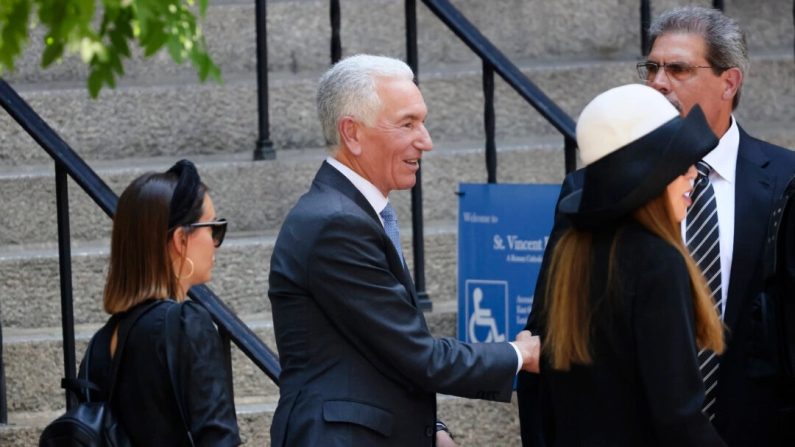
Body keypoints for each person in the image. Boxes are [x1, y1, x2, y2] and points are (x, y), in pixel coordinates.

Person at [519, 7, 795, 446]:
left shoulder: (786, 179)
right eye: (652, 67)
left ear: (730, 82)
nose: (658, 82)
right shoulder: (589, 194)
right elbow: (551, 331)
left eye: (678, 68)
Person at [267, 54, 540, 447]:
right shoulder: (336, 224)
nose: (425, 141)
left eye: (422, 122)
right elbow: (416, 353)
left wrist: (433, 431)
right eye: (407, 124)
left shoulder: (348, 212)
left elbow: (378, 353)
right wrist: (520, 353)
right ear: (353, 134)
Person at [534, 83, 726, 445]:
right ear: (649, 176)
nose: (694, 173)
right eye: (679, 162)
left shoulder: (574, 251)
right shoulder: (658, 262)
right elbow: (679, 417)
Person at [80, 159, 240, 446]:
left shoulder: (101, 345)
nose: (216, 242)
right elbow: (218, 438)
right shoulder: (187, 325)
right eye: (213, 228)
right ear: (180, 239)